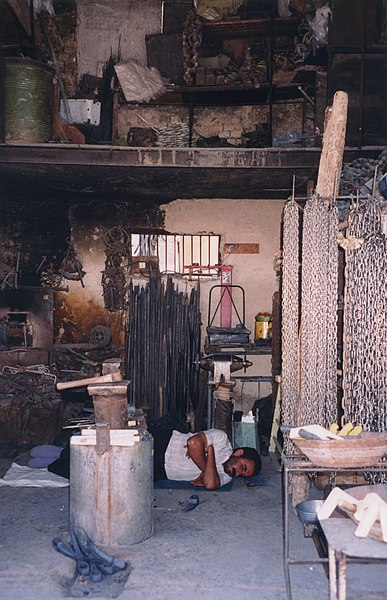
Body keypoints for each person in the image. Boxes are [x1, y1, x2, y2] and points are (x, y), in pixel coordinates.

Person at [150, 426, 261, 490]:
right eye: (243, 468)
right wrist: (206, 472)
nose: (238, 473)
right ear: (239, 453)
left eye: (242, 475)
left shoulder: (226, 477)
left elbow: (209, 484)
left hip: (161, 472)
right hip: (162, 444)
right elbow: (193, 442)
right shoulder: (222, 440)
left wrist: (210, 450)